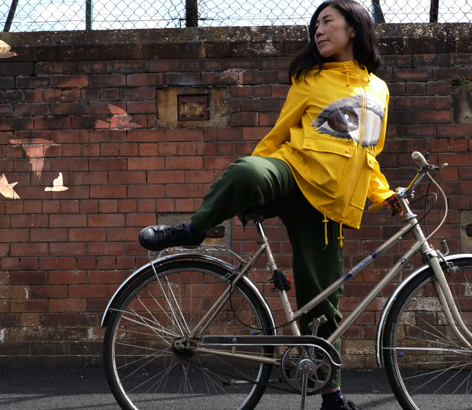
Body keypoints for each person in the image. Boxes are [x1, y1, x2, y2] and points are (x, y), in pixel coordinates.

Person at [139, 1, 396, 409]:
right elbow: (279, 133)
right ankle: (193, 230)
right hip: (292, 172)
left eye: (328, 22)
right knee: (247, 172)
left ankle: (332, 396)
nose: (318, 30)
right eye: (315, 24)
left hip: (327, 207)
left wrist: (384, 194)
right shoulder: (309, 78)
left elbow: (368, 154)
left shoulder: (378, 90)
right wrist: (256, 181)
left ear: (355, 29)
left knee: (323, 304)